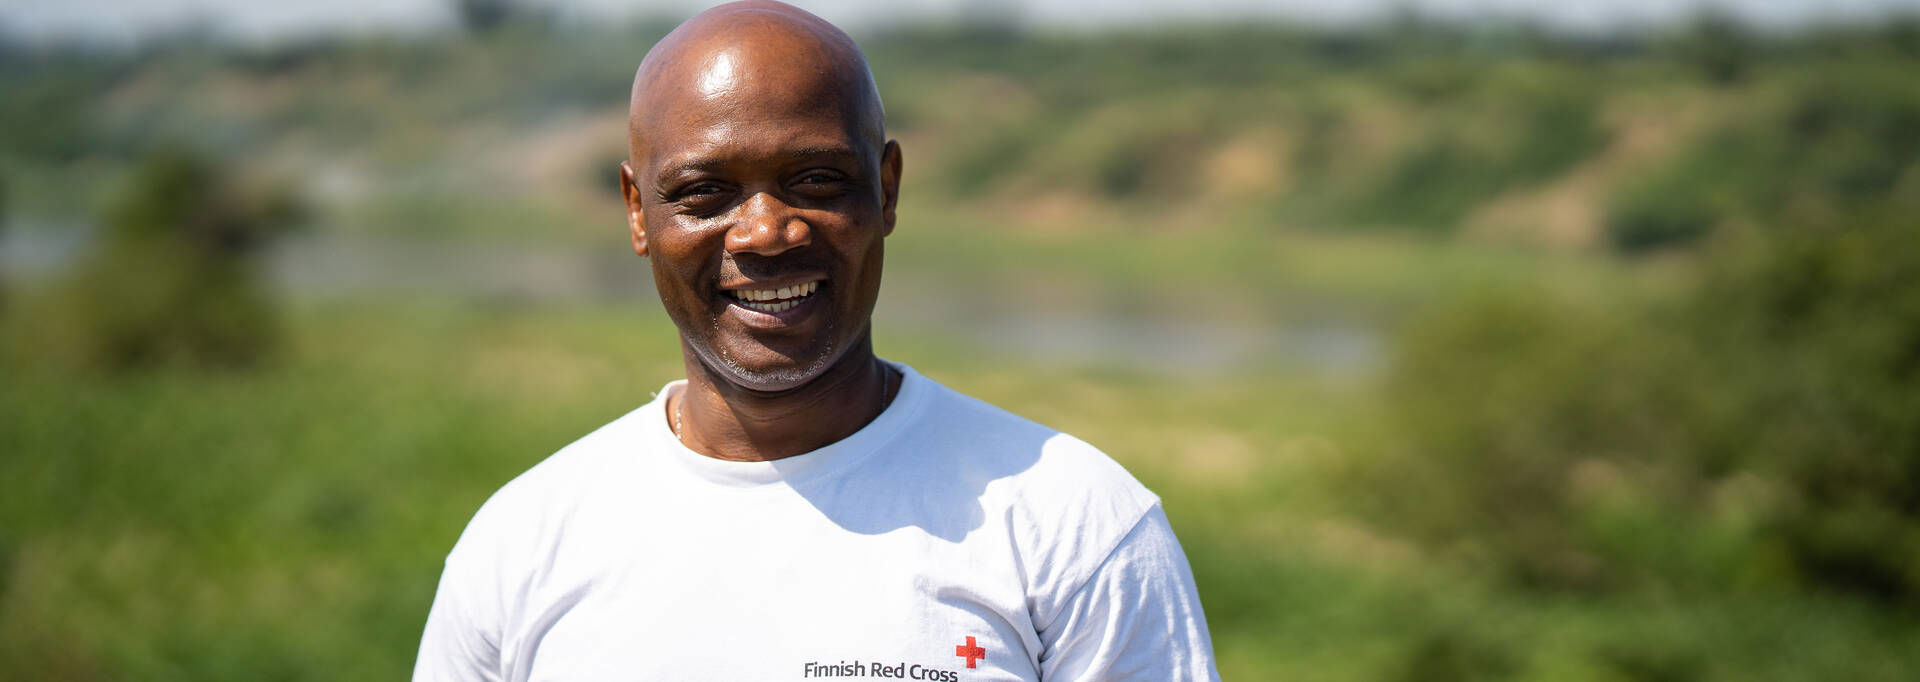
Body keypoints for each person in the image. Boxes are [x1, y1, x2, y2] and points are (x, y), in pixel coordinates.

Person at [412, 2, 1219, 680]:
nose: (766, 232)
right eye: (705, 193)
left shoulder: (1072, 523)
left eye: (817, 182)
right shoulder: (522, 544)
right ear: (636, 212)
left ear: (888, 188)